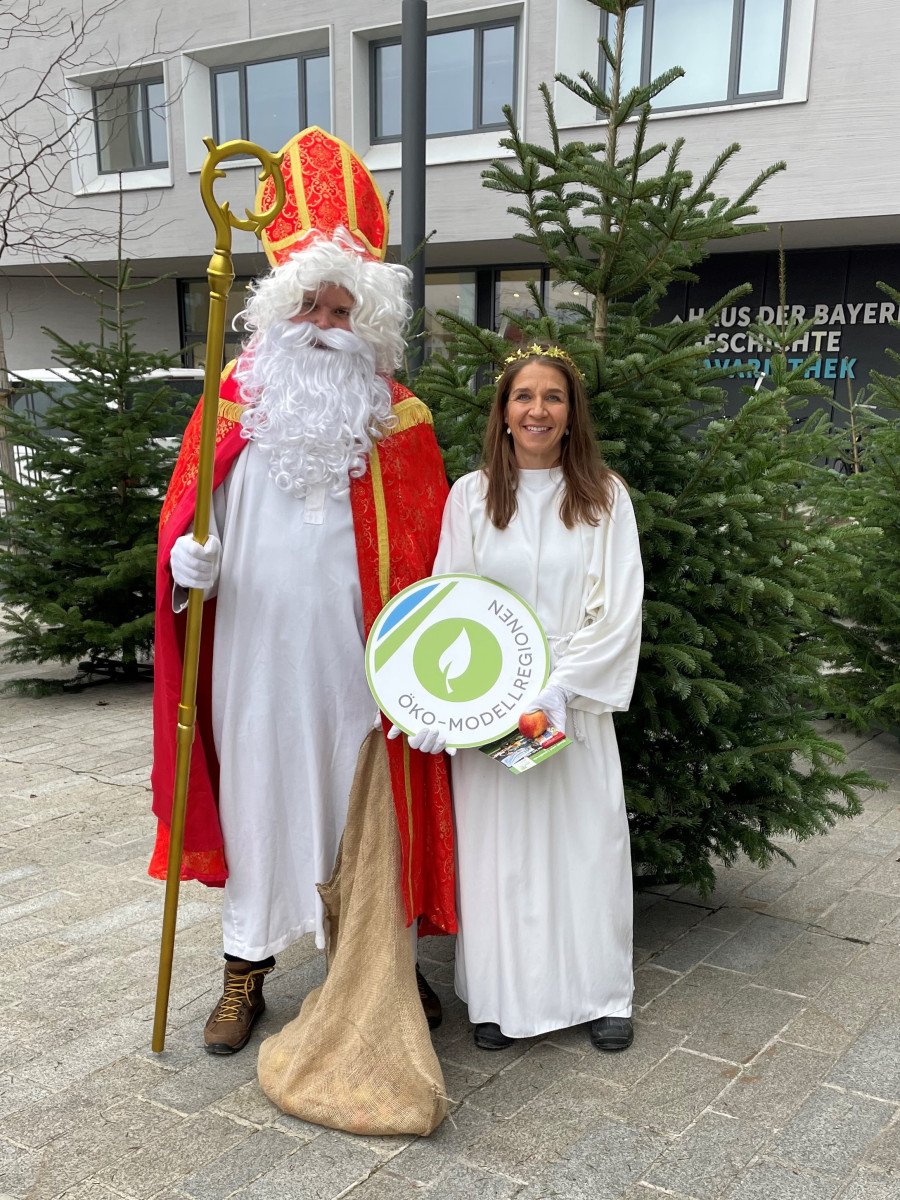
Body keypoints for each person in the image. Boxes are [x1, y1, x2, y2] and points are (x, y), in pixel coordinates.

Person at [149, 127, 455, 1055]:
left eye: (343, 310)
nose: (327, 325)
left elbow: (438, 559)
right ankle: (246, 970)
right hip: (247, 661)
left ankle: (378, 967)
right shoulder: (231, 401)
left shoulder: (401, 421)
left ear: (369, 324)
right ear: (281, 312)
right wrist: (180, 568)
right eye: (312, 307)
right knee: (256, 800)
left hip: (360, 669)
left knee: (365, 810)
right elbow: (181, 519)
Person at [429, 343, 643, 1051]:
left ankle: (601, 993)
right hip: (495, 701)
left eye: (553, 397)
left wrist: (558, 687)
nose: (538, 410)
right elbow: (449, 602)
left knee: (587, 844)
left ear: (572, 412)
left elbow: (619, 608)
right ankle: (500, 999)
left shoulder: (605, 497)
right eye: (525, 397)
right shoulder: (470, 495)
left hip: (571, 700)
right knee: (501, 851)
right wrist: (443, 700)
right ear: (504, 411)